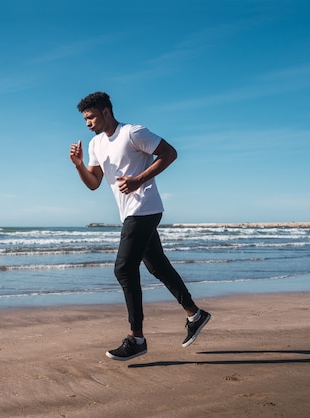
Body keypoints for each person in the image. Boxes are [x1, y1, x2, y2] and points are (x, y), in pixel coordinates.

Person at [69, 91, 210, 361]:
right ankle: (195, 313)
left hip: (145, 208)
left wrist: (139, 180)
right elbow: (94, 183)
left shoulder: (133, 133)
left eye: (91, 117)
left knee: (123, 269)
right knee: (156, 265)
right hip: (130, 213)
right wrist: (78, 165)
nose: (87, 123)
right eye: (85, 119)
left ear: (106, 112)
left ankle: (137, 338)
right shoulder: (97, 143)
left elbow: (170, 153)